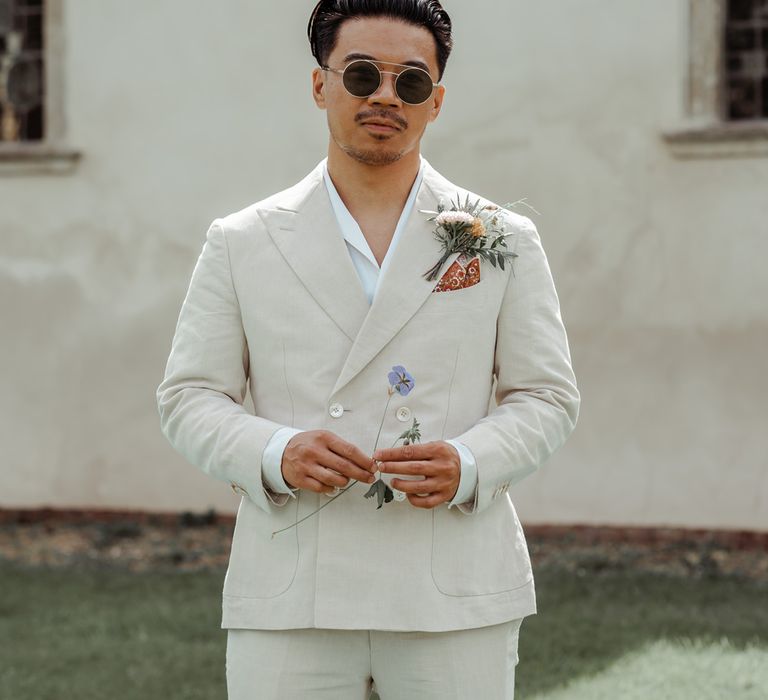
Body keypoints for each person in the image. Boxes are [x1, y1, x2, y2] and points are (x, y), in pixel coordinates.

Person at [156, 1, 580, 697]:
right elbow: (188, 397)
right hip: (293, 590)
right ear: (321, 85)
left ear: (435, 102)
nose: (385, 96)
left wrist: (471, 463)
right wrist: (274, 453)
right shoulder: (242, 241)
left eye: (410, 82)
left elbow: (548, 395)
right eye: (362, 75)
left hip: (450, 586)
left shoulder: (499, 238)